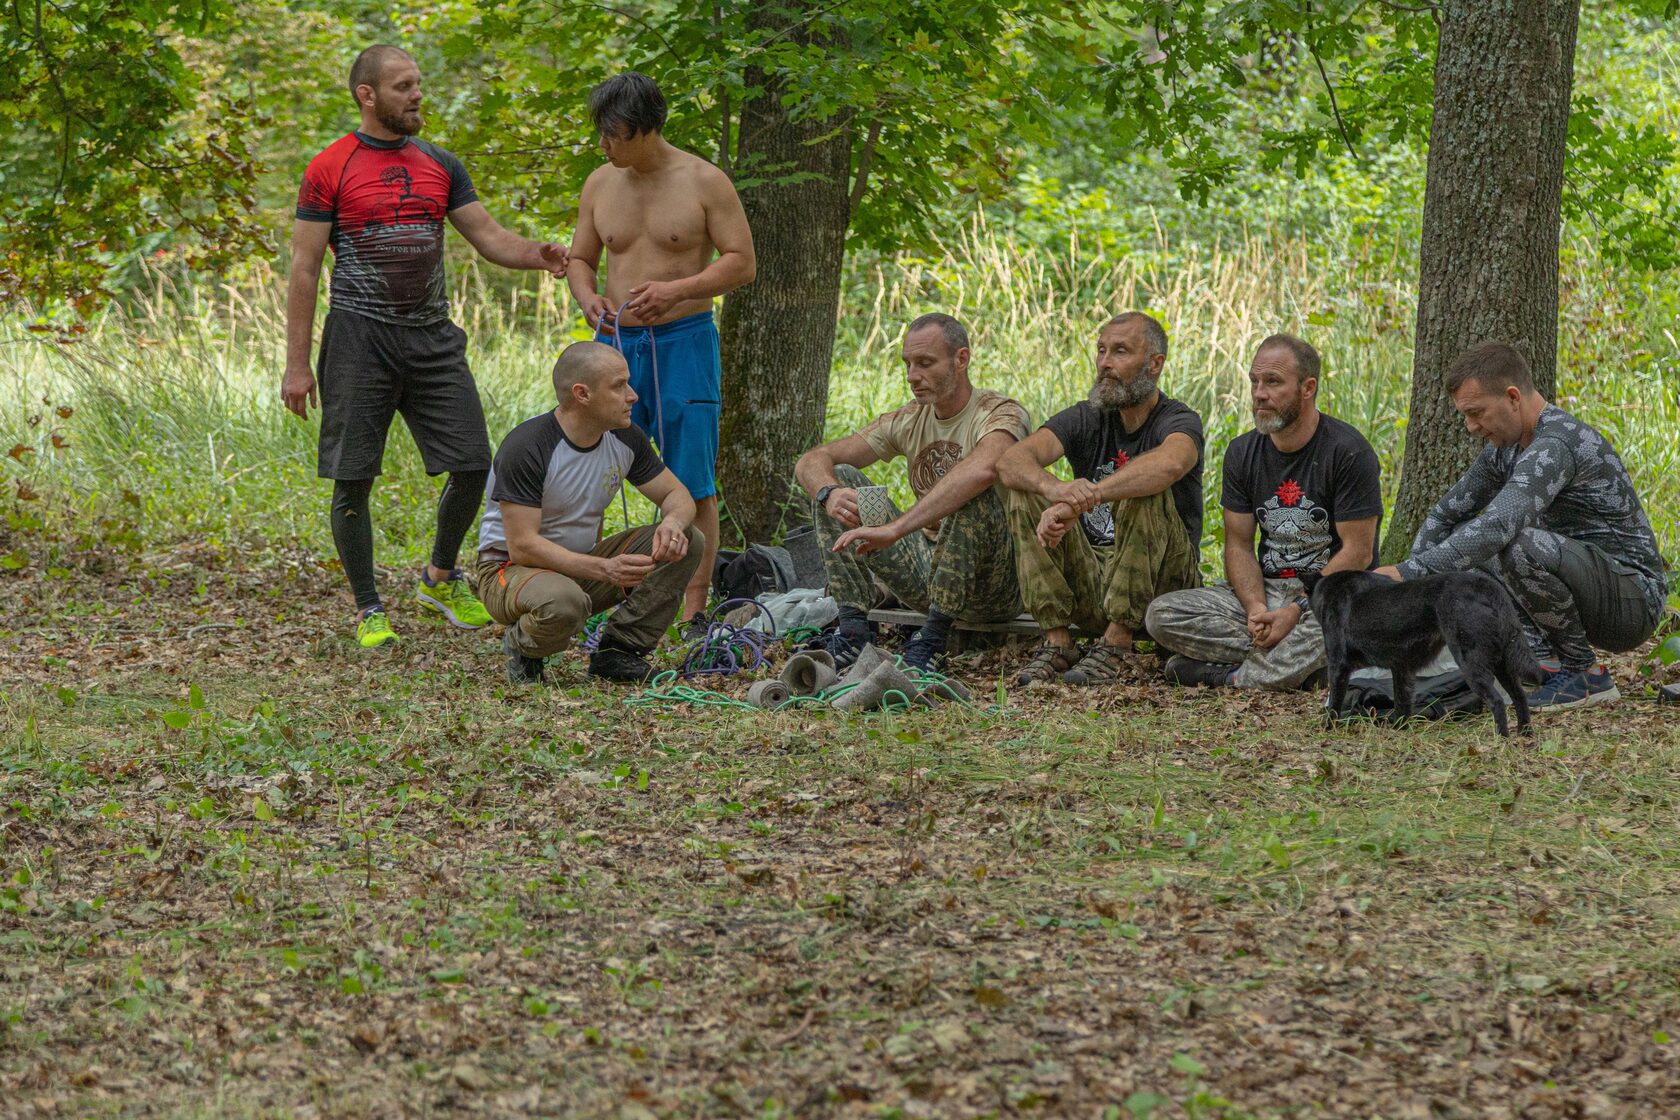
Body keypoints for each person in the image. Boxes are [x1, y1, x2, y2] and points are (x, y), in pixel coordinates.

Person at [283, 44, 570, 649]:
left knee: (473, 464)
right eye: (404, 86)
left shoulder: (440, 164)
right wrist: (296, 364)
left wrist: (537, 257)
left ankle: (439, 576)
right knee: (352, 477)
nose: (418, 95)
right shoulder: (328, 167)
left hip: (433, 338)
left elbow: (489, 236)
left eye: (418, 84)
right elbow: (305, 267)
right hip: (359, 339)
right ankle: (368, 609)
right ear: (367, 95)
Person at [1376, 342, 1667, 709]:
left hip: (1633, 601)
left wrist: (1405, 573)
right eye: (1465, 415)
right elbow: (1446, 514)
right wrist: (1413, 590)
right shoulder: (1505, 450)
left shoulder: (1555, 444)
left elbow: (1499, 525)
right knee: (1463, 539)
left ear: (1513, 397)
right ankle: (1544, 664)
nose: (1470, 427)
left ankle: (1585, 674)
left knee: (1512, 541)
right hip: (1587, 586)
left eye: (1476, 413)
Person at [567, 72, 756, 636]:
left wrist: (678, 289)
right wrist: (586, 297)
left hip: (685, 342)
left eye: (613, 134)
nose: (604, 145)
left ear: (646, 129)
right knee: (591, 465)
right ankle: (588, 588)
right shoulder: (601, 182)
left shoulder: (704, 181)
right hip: (614, 346)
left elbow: (742, 261)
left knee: (691, 476)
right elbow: (580, 258)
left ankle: (694, 611)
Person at [793, 313, 1029, 671]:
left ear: (961, 359)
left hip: (993, 585)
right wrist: (829, 493)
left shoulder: (1000, 412)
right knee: (841, 477)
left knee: (971, 491)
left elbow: (984, 468)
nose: (912, 376)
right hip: (928, 576)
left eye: (925, 363)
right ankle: (854, 631)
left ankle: (932, 642)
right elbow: (813, 459)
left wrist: (896, 528)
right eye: (907, 364)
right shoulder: (910, 417)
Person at [1146, 334, 1383, 689]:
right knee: (1161, 615)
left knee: (1344, 626)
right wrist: (1257, 608)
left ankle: (1231, 677)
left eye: (1272, 382)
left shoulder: (1348, 451)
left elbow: (1359, 552)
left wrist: (1296, 610)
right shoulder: (1242, 452)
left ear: (1308, 388)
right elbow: (1239, 545)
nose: (1259, 393)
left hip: (1331, 594)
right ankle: (1303, 670)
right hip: (1268, 589)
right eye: (1254, 381)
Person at [474, 342, 702, 685]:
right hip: (510, 572)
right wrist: (605, 568)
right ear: (582, 394)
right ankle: (524, 648)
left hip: (582, 567)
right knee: (564, 602)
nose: (633, 396)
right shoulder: (528, 446)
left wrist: (671, 523)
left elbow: (677, 495)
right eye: (618, 386)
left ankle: (620, 651)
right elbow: (522, 546)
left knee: (688, 538)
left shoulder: (624, 437)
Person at [997, 312, 1205, 686]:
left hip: (1165, 593)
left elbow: (1170, 463)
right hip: (1096, 582)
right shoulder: (1086, 417)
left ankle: (1117, 643)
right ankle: (1058, 641)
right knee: (1024, 489)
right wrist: (1054, 490)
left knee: (1144, 489)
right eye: (1101, 351)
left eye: (1120, 352)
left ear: (1154, 364)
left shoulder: (1178, 419)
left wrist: (1085, 498)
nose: (1105, 363)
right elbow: (1012, 461)